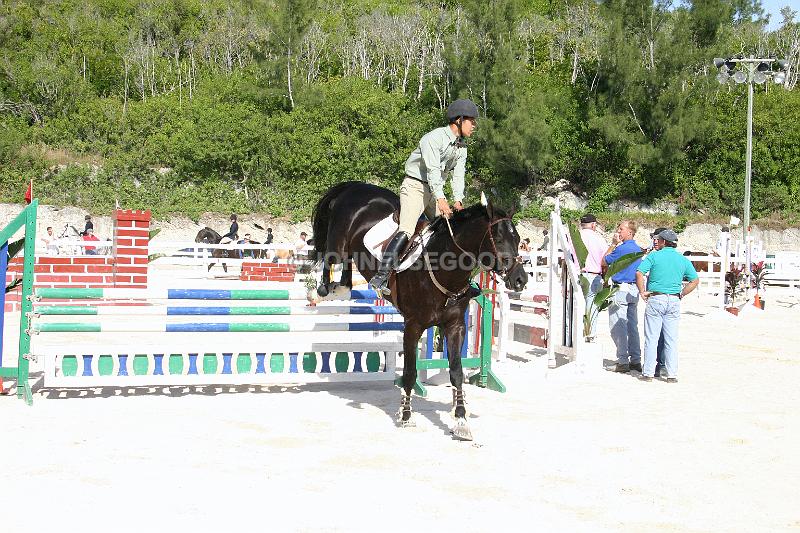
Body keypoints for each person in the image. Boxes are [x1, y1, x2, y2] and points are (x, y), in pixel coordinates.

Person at [368, 98, 479, 296]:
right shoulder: (433, 138)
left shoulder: (462, 147)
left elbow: (459, 175)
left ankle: (456, 280)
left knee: (453, 229)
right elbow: (433, 171)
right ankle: (381, 276)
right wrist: (442, 199)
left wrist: (458, 200)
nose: (474, 125)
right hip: (415, 187)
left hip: (434, 191)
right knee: (407, 230)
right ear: (459, 120)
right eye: (472, 121)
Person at [635, 229, 700, 382]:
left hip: (656, 297)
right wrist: (682, 293)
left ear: (663, 242)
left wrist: (642, 291)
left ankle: (648, 373)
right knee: (671, 339)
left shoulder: (654, 255)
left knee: (652, 337)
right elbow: (695, 281)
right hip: (674, 299)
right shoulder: (682, 259)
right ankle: (672, 375)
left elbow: (639, 273)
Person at [603, 220, 643, 373]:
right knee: (632, 326)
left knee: (618, 326)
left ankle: (622, 360)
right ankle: (636, 359)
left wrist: (613, 244)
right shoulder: (637, 248)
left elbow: (604, 261)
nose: (618, 231)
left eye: (621, 229)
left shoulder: (621, 249)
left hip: (621, 289)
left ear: (629, 232)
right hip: (633, 289)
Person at [578, 214, 608, 339]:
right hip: (594, 275)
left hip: (578, 274)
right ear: (594, 225)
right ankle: (590, 333)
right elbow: (605, 259)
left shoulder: (575, 236)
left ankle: (576, 334)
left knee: (576, 305)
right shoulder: (598, 238)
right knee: (592, 306)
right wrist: (606, 279)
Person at [647, 228, 669, 376]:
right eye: (653, 238)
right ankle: (660, 364)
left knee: (658, 334)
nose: (654, 241)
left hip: (658, 297)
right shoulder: (652, 255)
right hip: (660, 297)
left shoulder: (656, 257)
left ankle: (660, 364)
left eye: (657, 238)